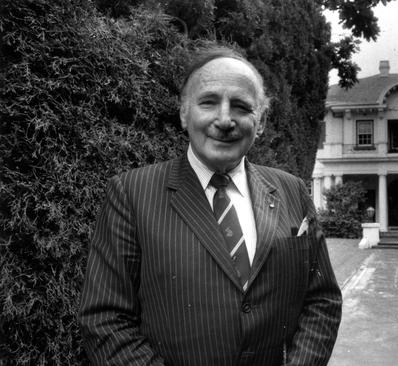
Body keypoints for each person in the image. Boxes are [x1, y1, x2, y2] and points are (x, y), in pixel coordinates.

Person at [78, 45, 342, 365]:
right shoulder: (131, 194)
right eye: (208, 102)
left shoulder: (292, 191)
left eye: (242, 107)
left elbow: (322, 300)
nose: (225, 119)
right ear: (184, 114)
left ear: (260, 122)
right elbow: (105, 317)